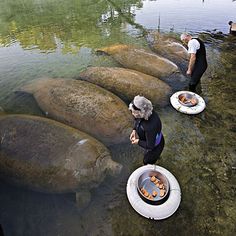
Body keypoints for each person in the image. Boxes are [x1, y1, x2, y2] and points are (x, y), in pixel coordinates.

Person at [129, 95, 165, 165]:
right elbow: (137, 119)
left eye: (134, 112)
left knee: (146, 161)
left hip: (155, 147)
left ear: (141, 112)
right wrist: (134, 130)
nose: (132, 114)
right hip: (152, 139)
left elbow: (150, 146)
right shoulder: (146, 112)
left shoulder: (149, 126)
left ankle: (154, 161)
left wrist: (138, 141)